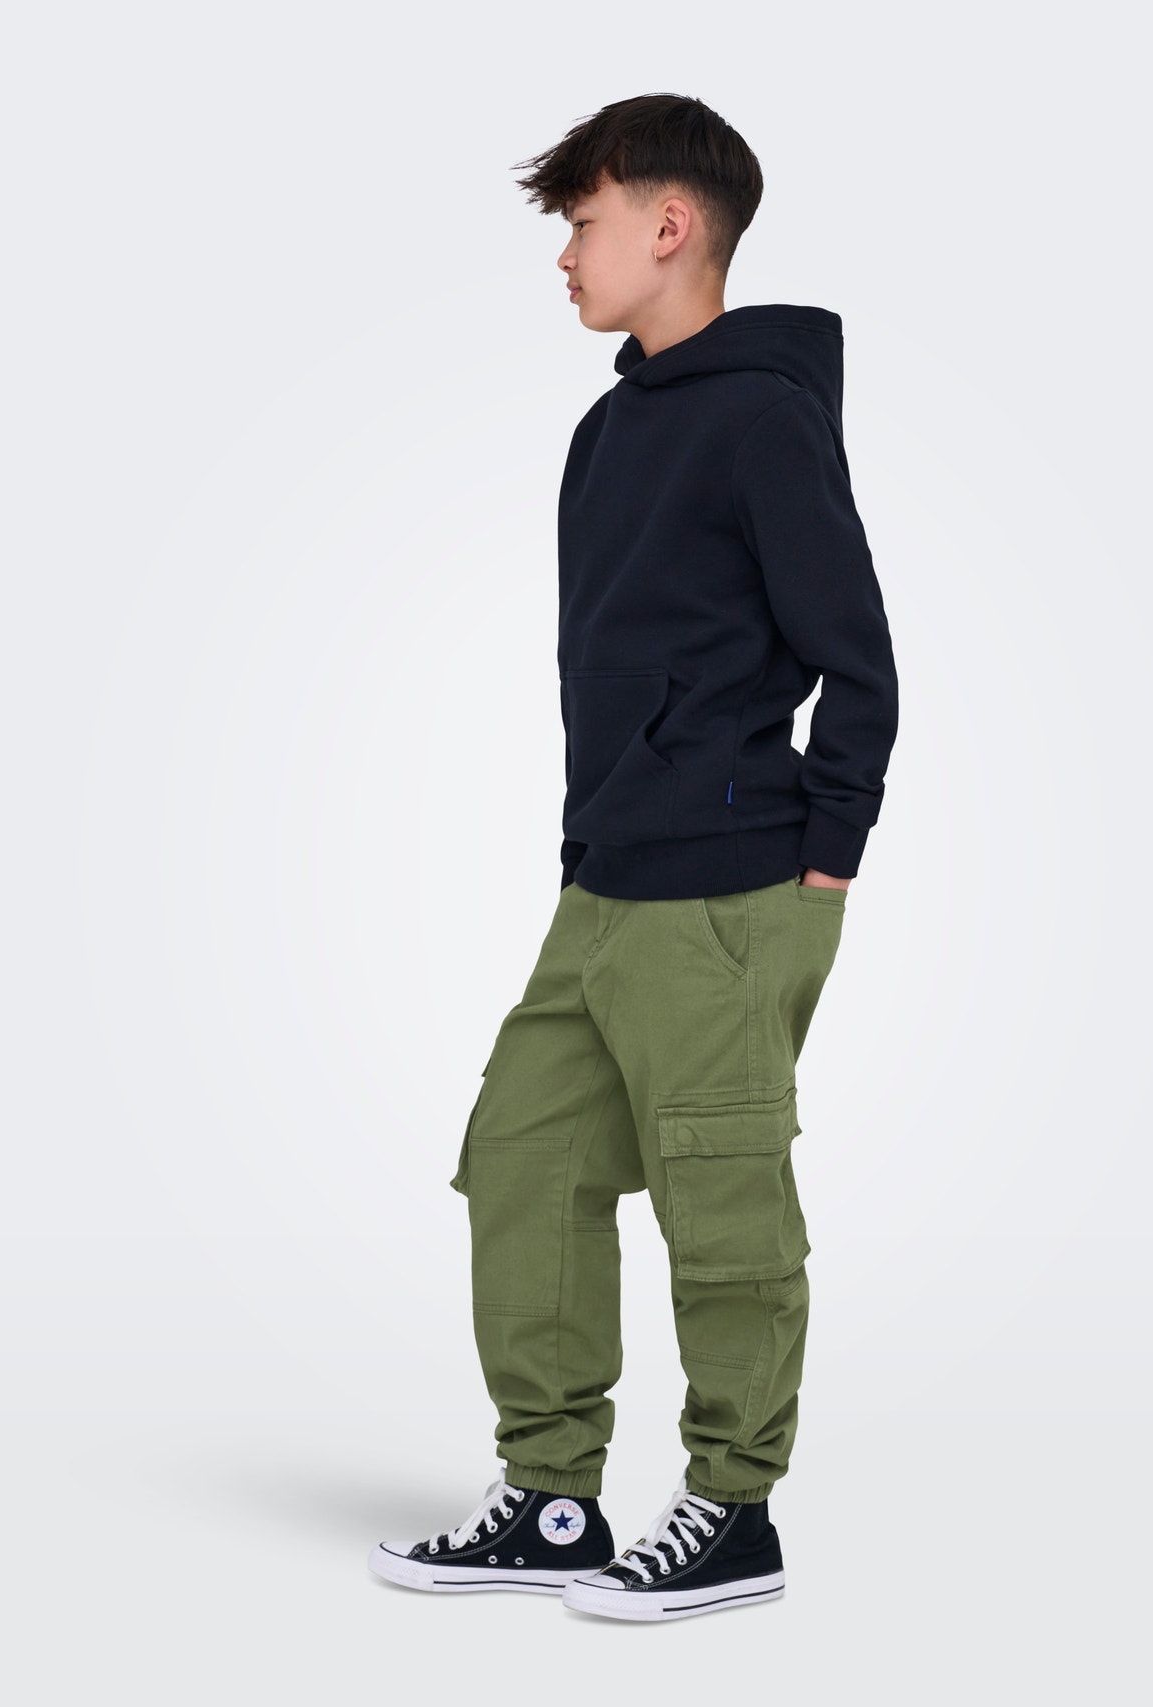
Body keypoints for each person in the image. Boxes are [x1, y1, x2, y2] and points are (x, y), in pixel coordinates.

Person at [368, 92, 900, 1622]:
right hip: (606, 884)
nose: (565, 257)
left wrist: (828, 852)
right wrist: (588, 845)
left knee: (720, 1198)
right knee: (523, 1162)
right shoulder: (610, 431)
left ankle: (734, 1512)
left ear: (671, 226)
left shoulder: (763, 416)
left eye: (583, 223)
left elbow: (857, 660)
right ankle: (551, 1500)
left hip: (731, 887)